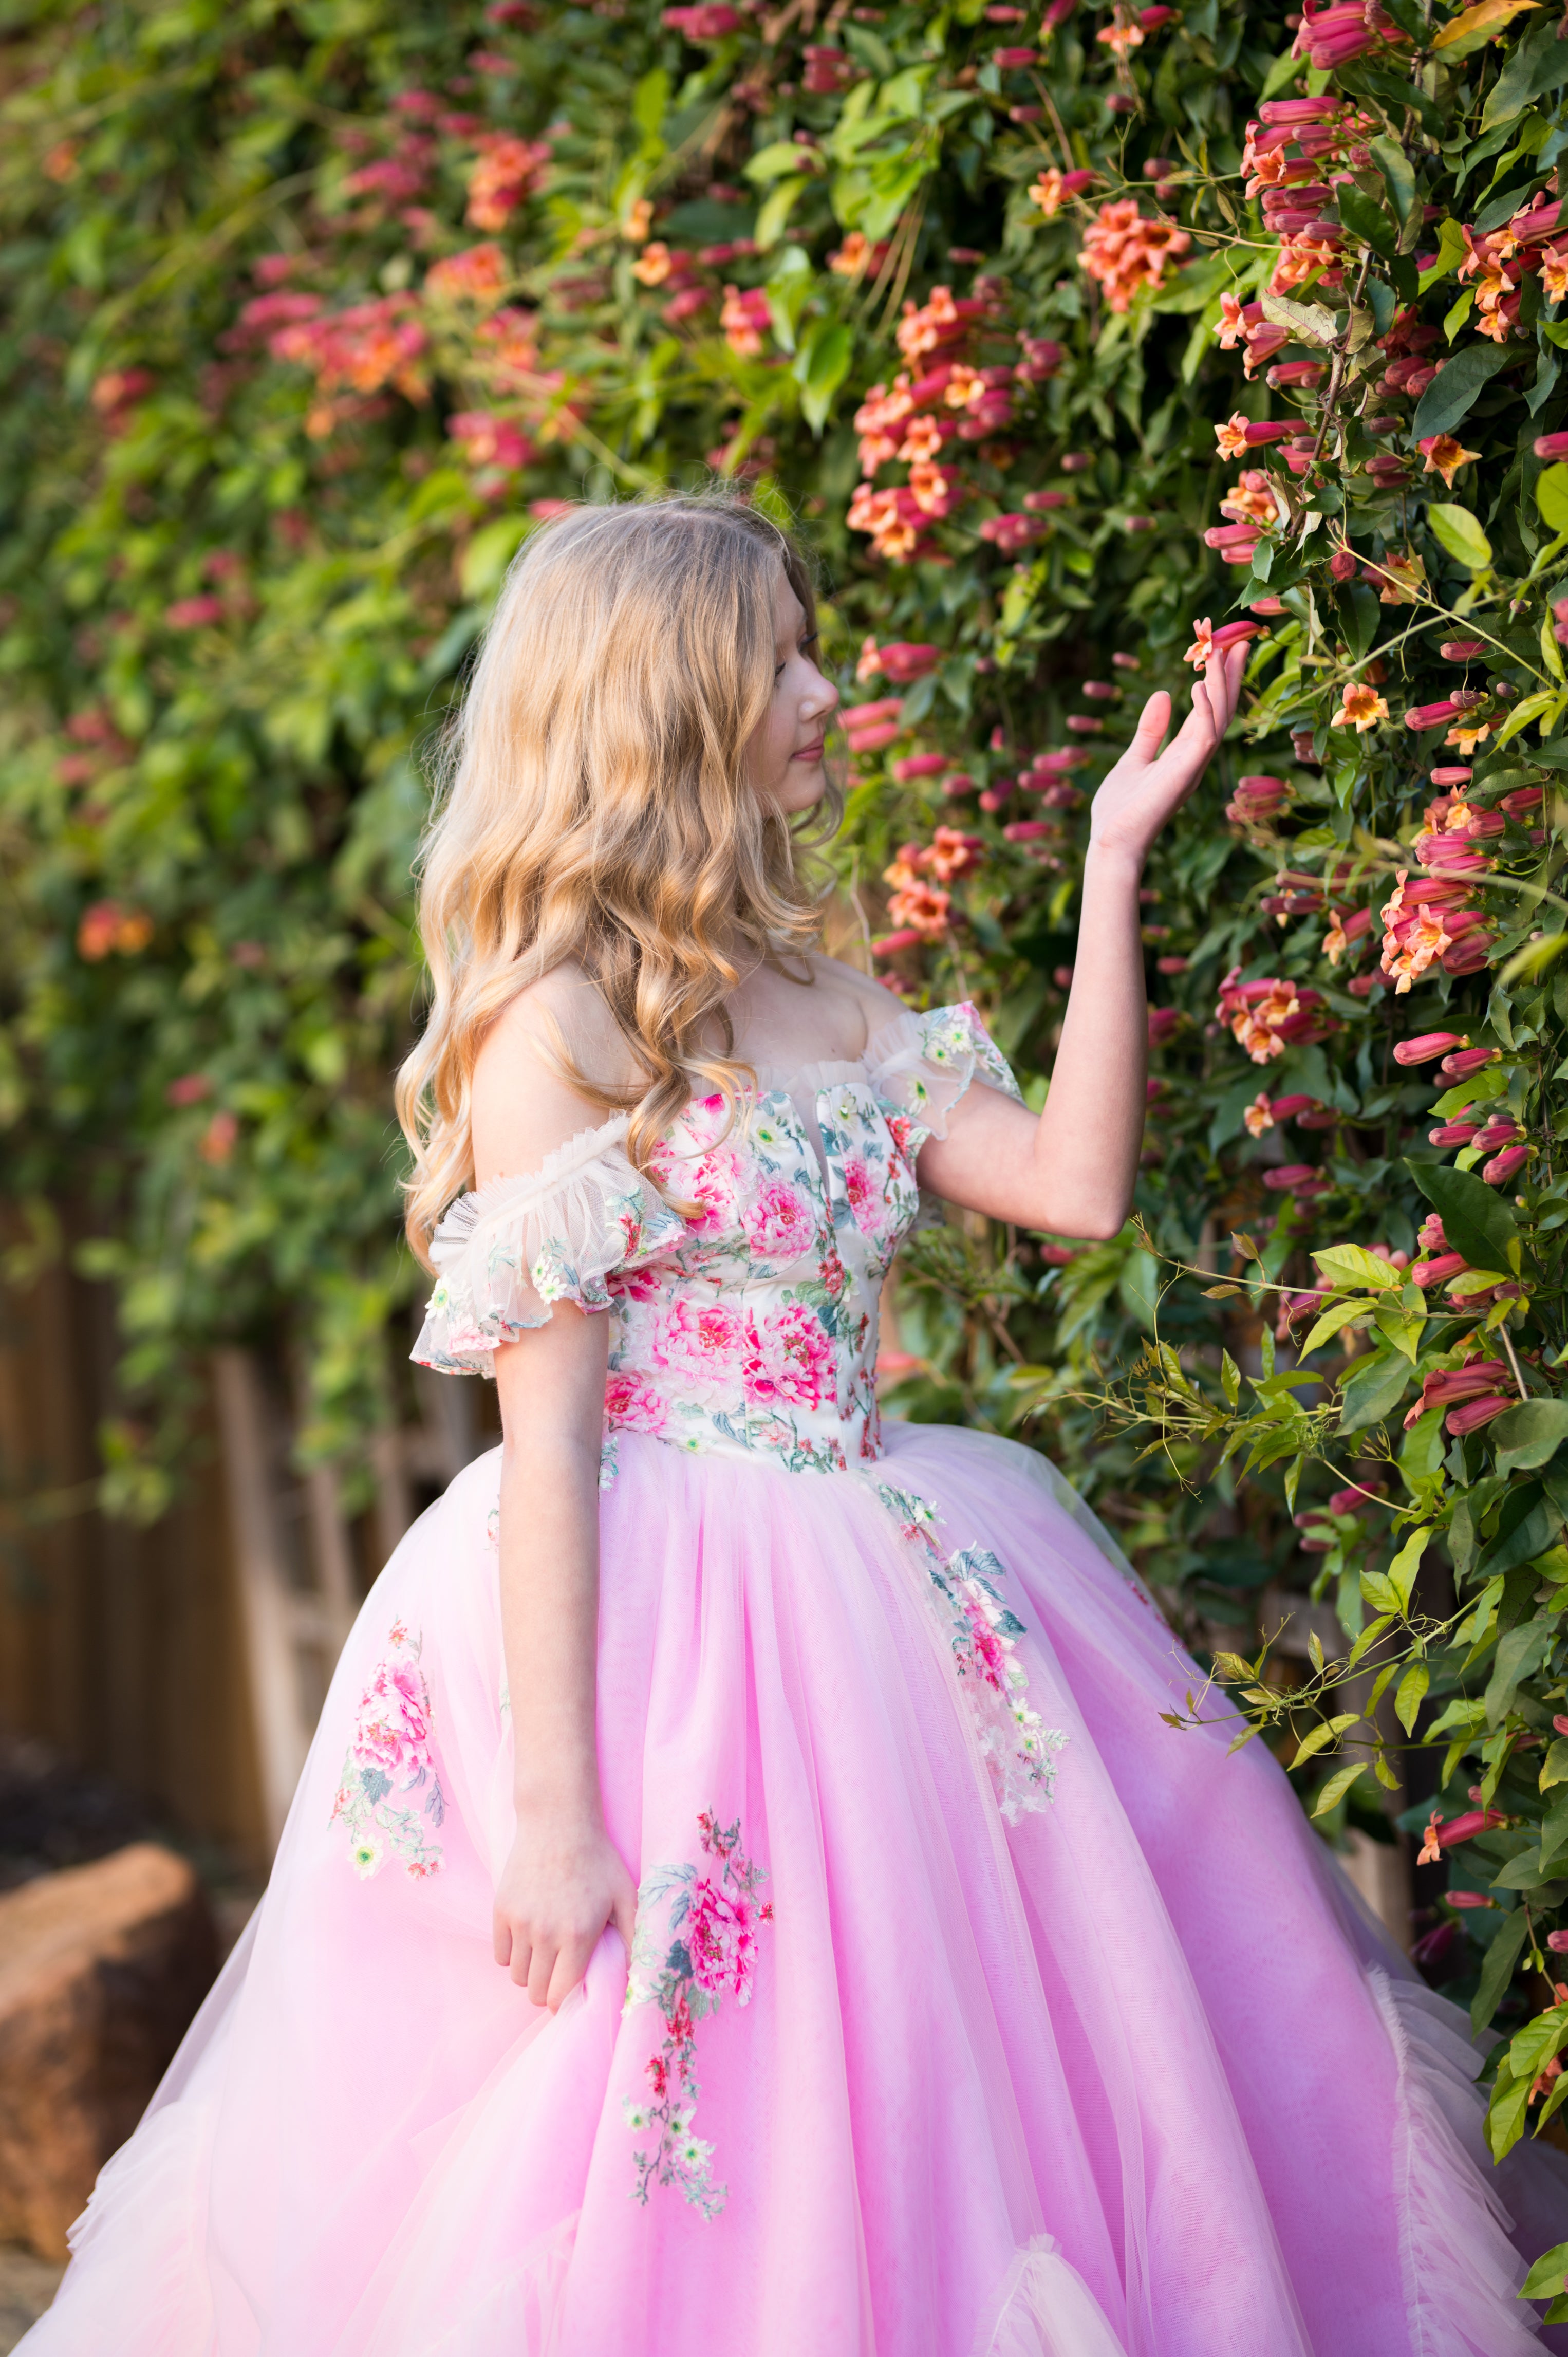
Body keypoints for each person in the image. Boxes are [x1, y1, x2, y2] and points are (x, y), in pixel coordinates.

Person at [23, 494, 1567, 2356]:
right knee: (663, 2119)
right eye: (778, 655)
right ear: (672, 698)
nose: (824, 692)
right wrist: (552, 1817)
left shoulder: (825, 993)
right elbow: (551, 1444)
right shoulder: (559, 1023)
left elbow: (1073, 1186)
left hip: (897, 1575)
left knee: (939, 2081)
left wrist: (1109, 866)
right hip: (668, 1631)